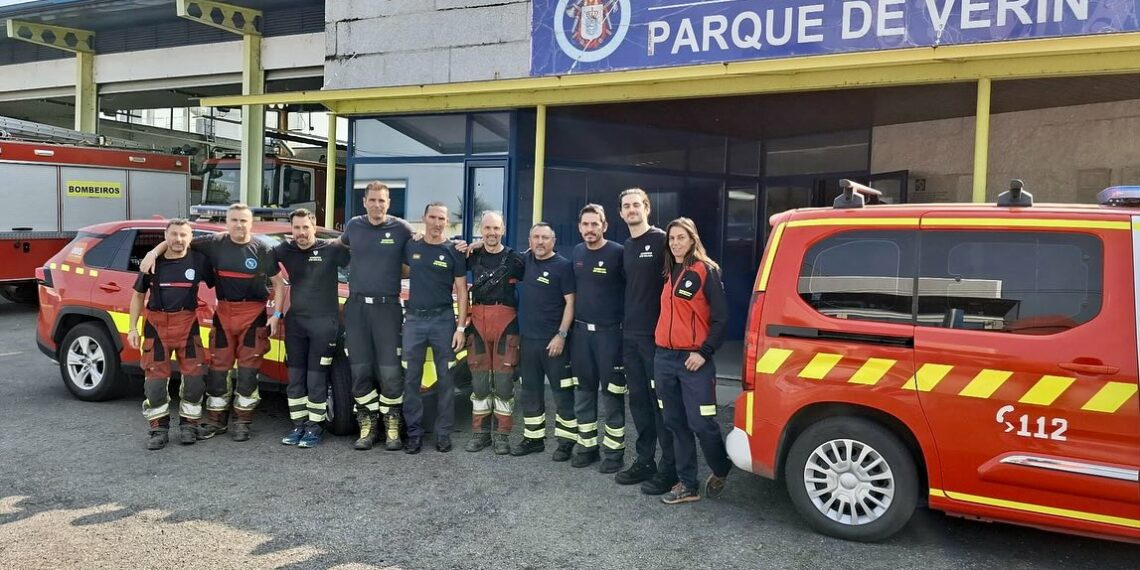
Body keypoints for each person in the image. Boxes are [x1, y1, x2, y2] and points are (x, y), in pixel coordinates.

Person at [142, 203, 285, 442]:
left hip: (253, 315)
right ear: (227, 223)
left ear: (251, 223)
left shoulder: (262, 249)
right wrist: (153, 253)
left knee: (249, 373)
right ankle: (216, 421)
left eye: (243, 220)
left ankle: (242, 421)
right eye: (234, 220)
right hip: (223, 313)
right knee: (218, 371)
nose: (239, 225)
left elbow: (278, 283)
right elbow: (179, 240)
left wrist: (276, 315)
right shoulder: (215, 243)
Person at [654, 217, 731, 504]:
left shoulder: (706, 270)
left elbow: (722, 319)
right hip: (664, 358)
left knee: (701, 423)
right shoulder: (668, 270)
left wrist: (704, 352)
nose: (675, 242)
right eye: (671, 238)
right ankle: (687, 484)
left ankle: (721, 468)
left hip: (693, 360)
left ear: (692, 240)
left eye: (680, 237)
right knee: (675, 423)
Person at [339, 182, 415, 451]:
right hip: (357, 308)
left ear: (389, 202)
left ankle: (392, 425)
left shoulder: (402, 229)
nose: (377, 205)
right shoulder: (353, 227)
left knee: (390, 370)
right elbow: (335, 249)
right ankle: (367, 424)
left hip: (388, 308)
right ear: (364, 202)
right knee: (360, 370)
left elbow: (421, 253)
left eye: (382, 201)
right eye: (372, 200)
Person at [127, 218, 213, 450]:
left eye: (183, 235)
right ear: (166, 237)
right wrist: (132, 328)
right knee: (154, 383)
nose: (178, 239)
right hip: (156, 327)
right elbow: (137, 296)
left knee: (195, 380)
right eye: (173, 234)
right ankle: (158, 429)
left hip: (187, 325)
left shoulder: (199, 259)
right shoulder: (152, 264)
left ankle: (189, 425)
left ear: (191, 237)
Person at [616, 188, 677, 495]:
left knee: (661, 403)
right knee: (638, 400)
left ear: (647, 208)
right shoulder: (626, 246)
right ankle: (644, 459)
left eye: (636, 205)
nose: (631, 210)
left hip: (657, 339)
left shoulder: (663, 240)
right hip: (631, 336)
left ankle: (670, 467)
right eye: (626, 206)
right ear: (621, 212)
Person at [273, 208, 350, 448]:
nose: (301, 233)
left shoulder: (332, 250)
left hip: (324, 324)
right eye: (296, 228)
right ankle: (299, 425)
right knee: (295, 378)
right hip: (296, 323)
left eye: (305, 227)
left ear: (314, 226)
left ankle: (315, 428)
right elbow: (256, 256)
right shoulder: (284, 250)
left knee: (316, 379)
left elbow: (362, 261)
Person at [402, 202, 468, 454]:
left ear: (447, 221)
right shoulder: (412, 246)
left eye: (442, 218)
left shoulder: (455, 250)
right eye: (433, 217)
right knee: (411, 379)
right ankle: (414, 434)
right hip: (415, 321)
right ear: (424, 218)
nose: (437, 222)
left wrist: (460, 327)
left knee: (446, 380)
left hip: (443, 321)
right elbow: (397, 267)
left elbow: (462, 291)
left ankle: (443, 434)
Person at [512, 222, 577, 460]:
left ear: (554, 241)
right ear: (529, 241)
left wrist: (561, 335)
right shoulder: (523, 262)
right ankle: (534, 438)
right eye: (535, 237)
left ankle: (566, 441)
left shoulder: (563, 266)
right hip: (528, 341)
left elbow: (571, 303)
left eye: (545, 238)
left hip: (554, 343)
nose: (540, 242)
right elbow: (494, 252)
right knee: (530, 392)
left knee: (562, 393)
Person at [569, 204, 626, 472]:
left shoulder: (618, 253)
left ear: (605, 225)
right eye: (585, 224)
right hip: (581, 335)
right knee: (584, 391)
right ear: (579, 227)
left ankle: (614, 454)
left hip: (609, 336)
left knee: (612, 394)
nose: (590, 229)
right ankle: (587, 447)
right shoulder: (577, 252)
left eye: (595, 224)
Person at [464, 211, 526, 454]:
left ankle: (501, 435)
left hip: (506, 322)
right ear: (481, 230)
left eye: (496, 228)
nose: (491, 233)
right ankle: (480, 434)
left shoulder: (516, 259)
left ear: (503, 230)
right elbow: (443, 251)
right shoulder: (471, 254)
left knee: (503, 384)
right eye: (487, 228)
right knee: (479, 383)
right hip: (478, 321)